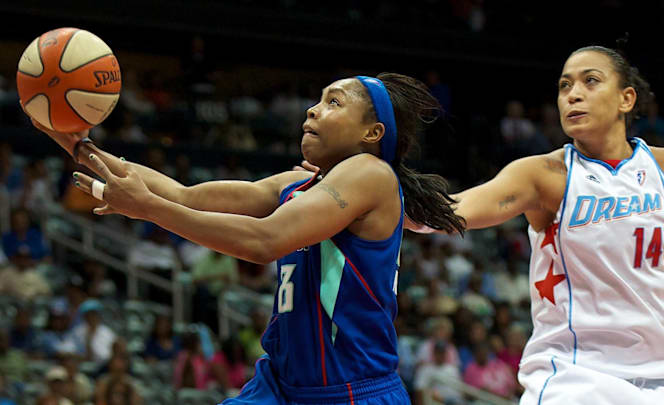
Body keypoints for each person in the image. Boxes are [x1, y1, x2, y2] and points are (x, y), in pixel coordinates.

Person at [25, 72, 466, 404]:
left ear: (372, 133)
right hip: (280, 385)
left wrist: (146, 208)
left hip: (351, 391)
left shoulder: (371, 173)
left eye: (334, 103)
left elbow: (264, 241)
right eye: (317, 100)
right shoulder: (298, 184)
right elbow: (184, 195)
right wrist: (78, 145)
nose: (312, 109)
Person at [410, 45, 664, 403]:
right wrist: (376, 195)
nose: (573, 94)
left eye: (590, 81)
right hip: (577, 379)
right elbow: (452, 211)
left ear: (626, 99)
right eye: (564, 86)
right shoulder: (544, 175)